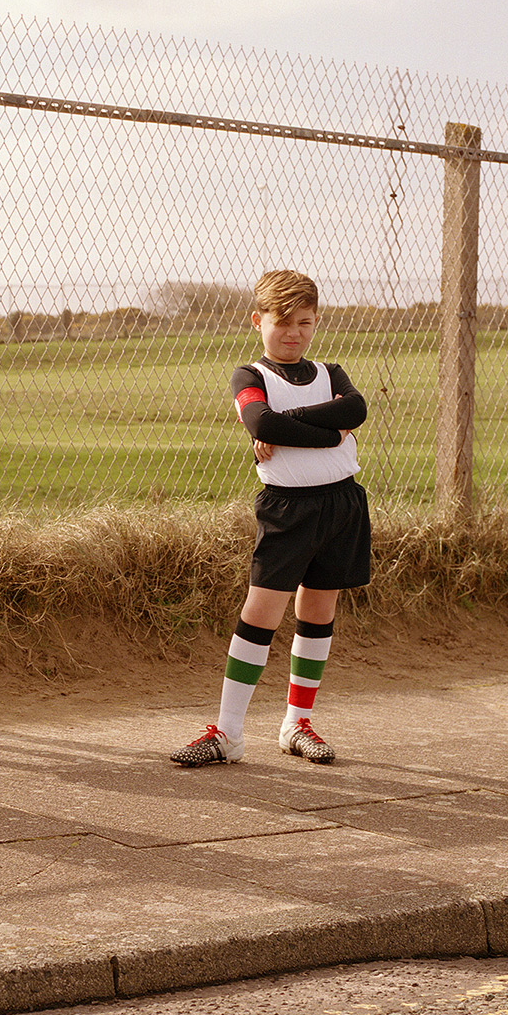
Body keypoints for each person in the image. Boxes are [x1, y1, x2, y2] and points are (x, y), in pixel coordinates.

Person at [170, 269, 369, 768]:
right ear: (258, 320)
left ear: (316, 321)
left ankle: (295, 723)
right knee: (261, 613)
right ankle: (228, 733)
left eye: (305, 322)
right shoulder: (250, 377)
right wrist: (329, 430)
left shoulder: (332, 372)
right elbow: (260, 421)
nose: (294, 332)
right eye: (282, 322)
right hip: (287, 509)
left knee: (318, 613)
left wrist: (294, 426)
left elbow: (358, 409)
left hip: (342, 504)